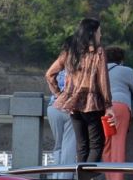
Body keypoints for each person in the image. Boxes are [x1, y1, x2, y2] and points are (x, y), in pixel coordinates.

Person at [45, 18, 115, 163]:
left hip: (73, 105)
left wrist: (60, 95)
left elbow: (50, 74)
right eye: (99, 32)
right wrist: (108, 105)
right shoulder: (98, 52)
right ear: (92, 33)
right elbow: (103, 81)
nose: (100, 35)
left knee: (81, 146)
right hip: (92, 104)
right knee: (96, 145)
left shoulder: (70, 51)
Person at [104, 46, 133, 180]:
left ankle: (107, 179)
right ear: (121, 60)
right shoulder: (126, 71)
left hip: (100, 107)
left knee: (106, 144)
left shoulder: (98, 71)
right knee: (118, 143)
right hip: (120, 106)